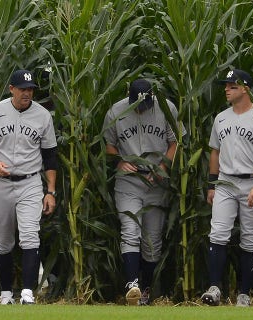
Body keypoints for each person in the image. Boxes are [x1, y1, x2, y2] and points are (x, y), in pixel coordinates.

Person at [0, 69, 58, 305]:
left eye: (31, 89)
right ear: (11, 89)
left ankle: (27, 293)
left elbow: (50, 156)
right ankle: (5, 293)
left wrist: (50, 191)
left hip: (30, 182)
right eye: (22, 89)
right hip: (0, 184)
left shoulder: (43, 116)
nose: (27, 93)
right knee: (1, 240)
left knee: (30, 236)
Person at [201, 69, 253, 307]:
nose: (226, 89)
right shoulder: (221, 118)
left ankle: (244, 294)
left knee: (250, 240)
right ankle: (214, 289)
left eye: (232, 86)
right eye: (226, 85)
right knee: (218, 233)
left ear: (245, 88)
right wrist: (213, 184)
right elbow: (215, 152)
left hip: (252, 182)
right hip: (225, 181)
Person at [103, 79, 183, 305]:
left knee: (152, 241)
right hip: (129, 180)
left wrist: (163, 167)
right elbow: (109, 144)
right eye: (135, 104)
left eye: (144, 104)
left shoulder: (166, 108)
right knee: (130, 229)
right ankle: (132, 285)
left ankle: (145, 291)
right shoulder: (116, 112)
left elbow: (175, 141)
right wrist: (119, 161)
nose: (140, 109)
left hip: (156, 180)